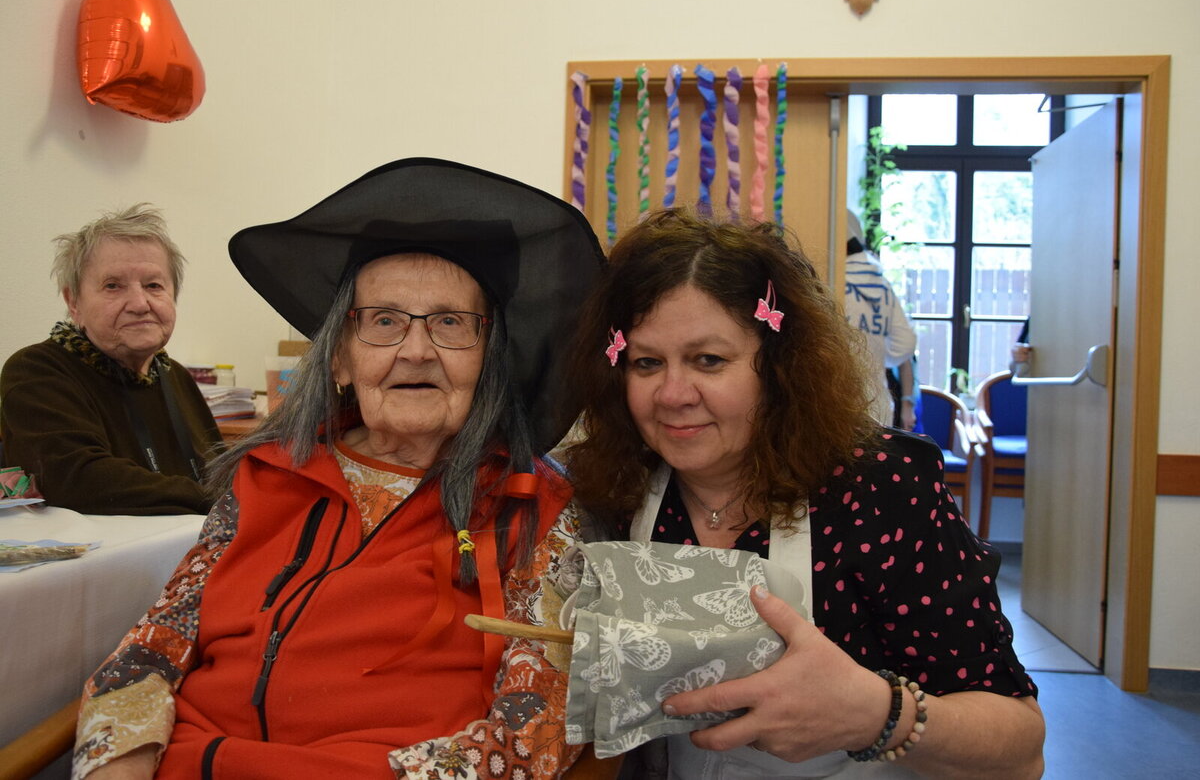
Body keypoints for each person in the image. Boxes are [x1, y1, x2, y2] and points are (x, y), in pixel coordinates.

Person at [72, 159, 606, 779]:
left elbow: (536, 729)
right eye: (384, 321)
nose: (415, 349)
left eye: (450, 323)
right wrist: (118, 761)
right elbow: (155, 644)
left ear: (488, 360)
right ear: (340, 359)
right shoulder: (262, 476)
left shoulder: (535, 508)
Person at [562, 208, 1044, 779]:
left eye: (708, 360)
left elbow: (1021, 752)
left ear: (779, 366)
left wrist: (878, 714)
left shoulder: (878, 490)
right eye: (646, 363)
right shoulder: (612, 491)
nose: (672, 394)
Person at [0, 204, 221, 515]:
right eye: (113, 286)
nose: (139, 303)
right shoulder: (36, 370)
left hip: (193, 538)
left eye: (153, 285)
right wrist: (222, 500)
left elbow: (220, 472)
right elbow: (75, 480)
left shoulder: (175, 376)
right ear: (73, 302)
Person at [845, 210, 917, 427]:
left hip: (839, 403)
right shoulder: (881, 282)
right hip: (879, 403)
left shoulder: (831, 279)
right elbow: (906, 343)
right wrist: (880, 355)